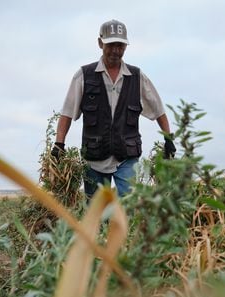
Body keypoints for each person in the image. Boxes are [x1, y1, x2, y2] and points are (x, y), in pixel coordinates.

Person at [52, 19, 176, 198]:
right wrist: (59, 144)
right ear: (100, 43)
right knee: (96, 213)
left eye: (120, 45)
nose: (116, 51)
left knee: (128, 208)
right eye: (111, 45)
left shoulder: (137, 76)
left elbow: (158, 109)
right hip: (94, 159)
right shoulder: (84, 75)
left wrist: (168, 139)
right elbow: (67, 113)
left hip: (126, 158)